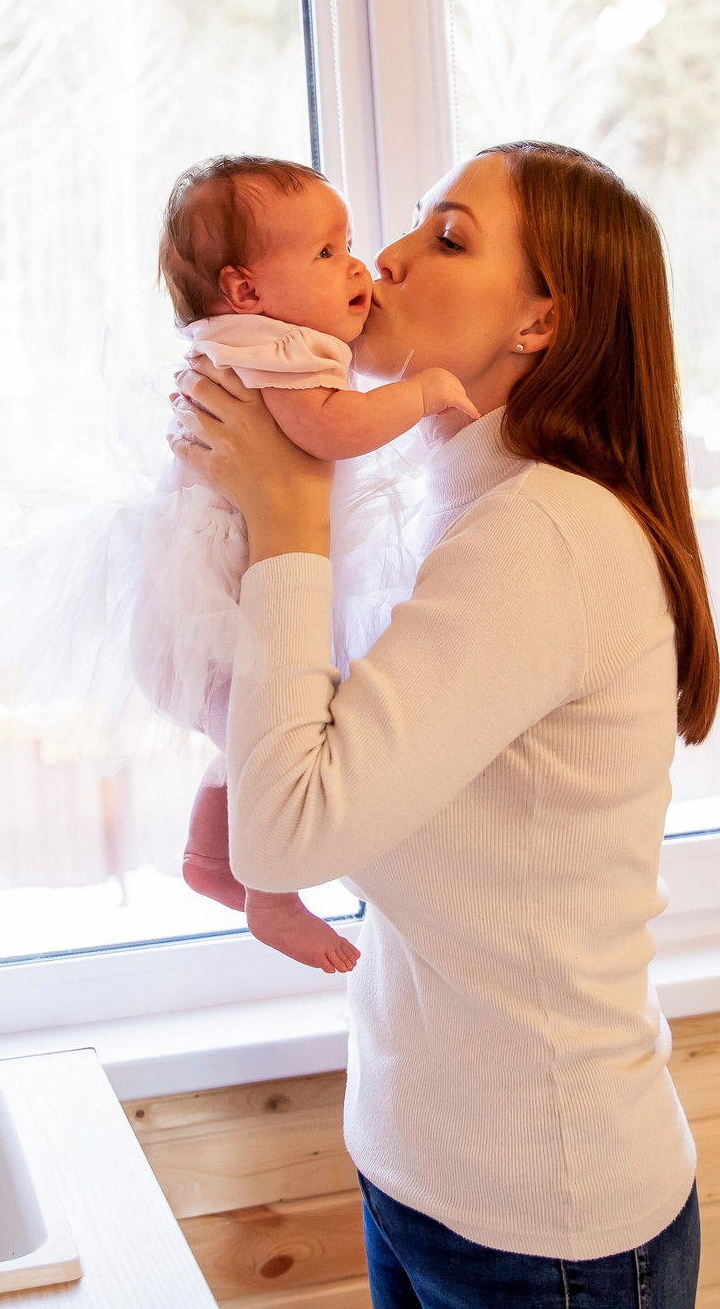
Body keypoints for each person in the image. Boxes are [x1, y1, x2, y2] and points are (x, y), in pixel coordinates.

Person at [171, 141, 717, 1309]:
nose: (390, 258)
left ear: (539, 323)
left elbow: (287, 832)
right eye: (411, 225)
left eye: (451, 238)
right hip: (421, 1170)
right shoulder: (442, 504)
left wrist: (284, 515)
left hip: (543, 1228)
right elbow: (311, 775)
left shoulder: (545, 537)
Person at [147, 153, 477, 974]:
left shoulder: (248, 338)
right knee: (269, 727)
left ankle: (211, 856)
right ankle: (272, 896)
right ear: (246, 290)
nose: (361, 265)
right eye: (327, 254)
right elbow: (331, 430)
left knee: (238, 726)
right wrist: (424, 388)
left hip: (202, 594)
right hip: (229, 597)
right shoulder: (277, 349)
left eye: (347, 243)